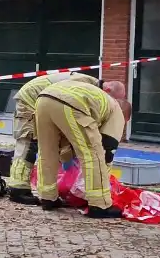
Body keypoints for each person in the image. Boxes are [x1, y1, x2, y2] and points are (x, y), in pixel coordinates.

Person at [33, 79, 126, 219]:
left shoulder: (97, 99)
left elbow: (67, 141)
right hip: (71, 103)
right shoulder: (117, 112)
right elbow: (108, 150)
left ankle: (48, 197)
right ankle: (99, 204)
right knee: (93, 153)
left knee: (48, 151)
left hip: (44, 99)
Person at [7, 72, 101, 205]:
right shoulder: (86, 85)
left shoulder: (90, 87)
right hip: (30, 100)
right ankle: (17, 189)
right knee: (28, 143)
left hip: (43, 99)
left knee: (46, 144)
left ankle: (37, 191)